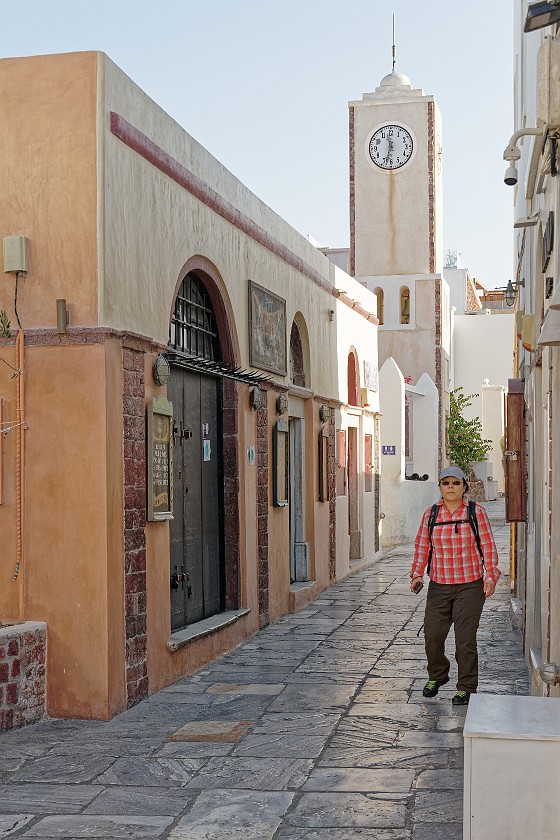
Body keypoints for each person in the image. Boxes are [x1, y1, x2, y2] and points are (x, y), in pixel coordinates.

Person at [410, 466, 500, 706]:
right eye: (446, 483)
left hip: (470, 586)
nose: (451, 487)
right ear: (440, 487)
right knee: (432, 635)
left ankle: (466, 685)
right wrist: (417, 574)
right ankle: (438, 675)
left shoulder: (475, 512)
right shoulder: (431, 514)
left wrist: (490, 577)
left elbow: (488, 547)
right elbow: (422, 547)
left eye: (455, 483)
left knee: (465, 639)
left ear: (464, 487)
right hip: (439, 586)